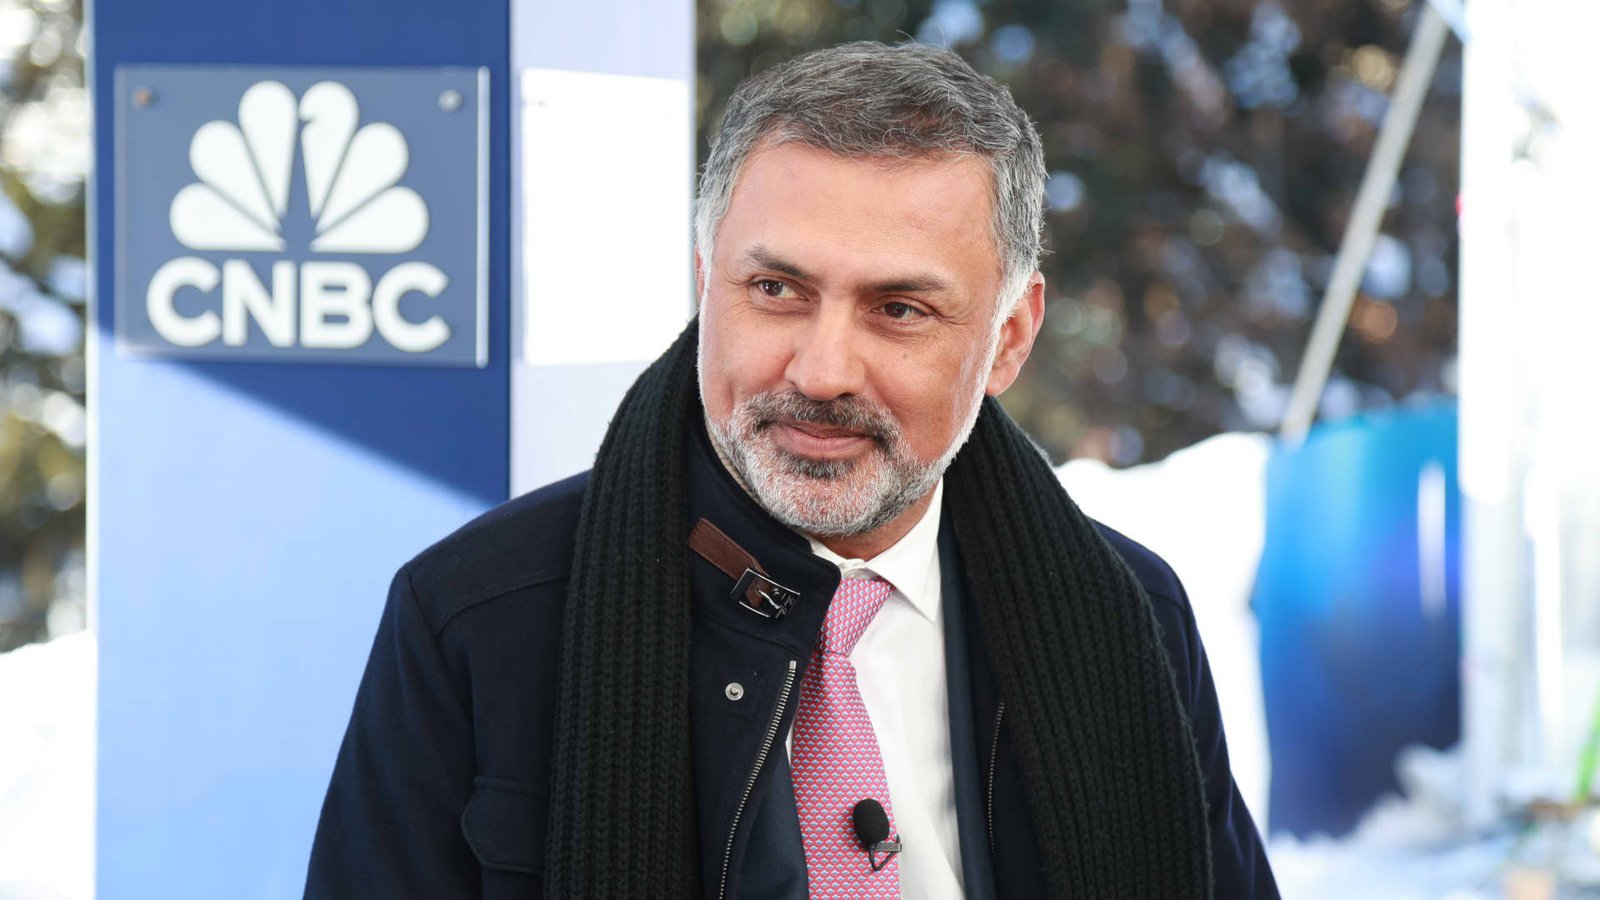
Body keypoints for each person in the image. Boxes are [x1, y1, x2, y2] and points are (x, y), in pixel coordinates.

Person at [305, 41, 1278, 899]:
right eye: (776, 290)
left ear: (1011, 335)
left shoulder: (1127, 617)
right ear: (705, 282)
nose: (820, 371)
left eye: (899, 310)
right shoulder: (479, 620)